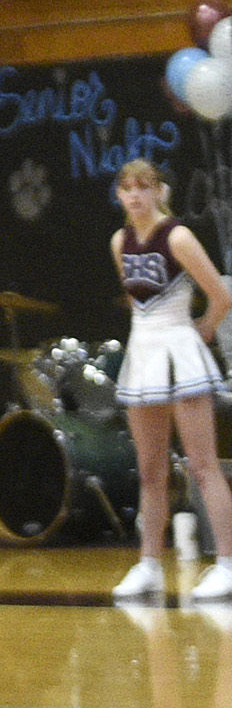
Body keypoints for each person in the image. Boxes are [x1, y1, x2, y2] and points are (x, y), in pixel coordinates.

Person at [107, 158, 232, 603]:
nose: (136, 195)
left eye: (144, 186)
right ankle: (149, 565)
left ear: (160, 191)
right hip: (143, 356)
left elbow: (221, 295)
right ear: (119, 195)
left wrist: (203, 329)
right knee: (150, 470)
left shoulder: (177, 236)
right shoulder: (120, 240)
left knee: (202, 465)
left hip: (181, 353)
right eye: (127, 188)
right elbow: (134, 299)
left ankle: (227, 564)